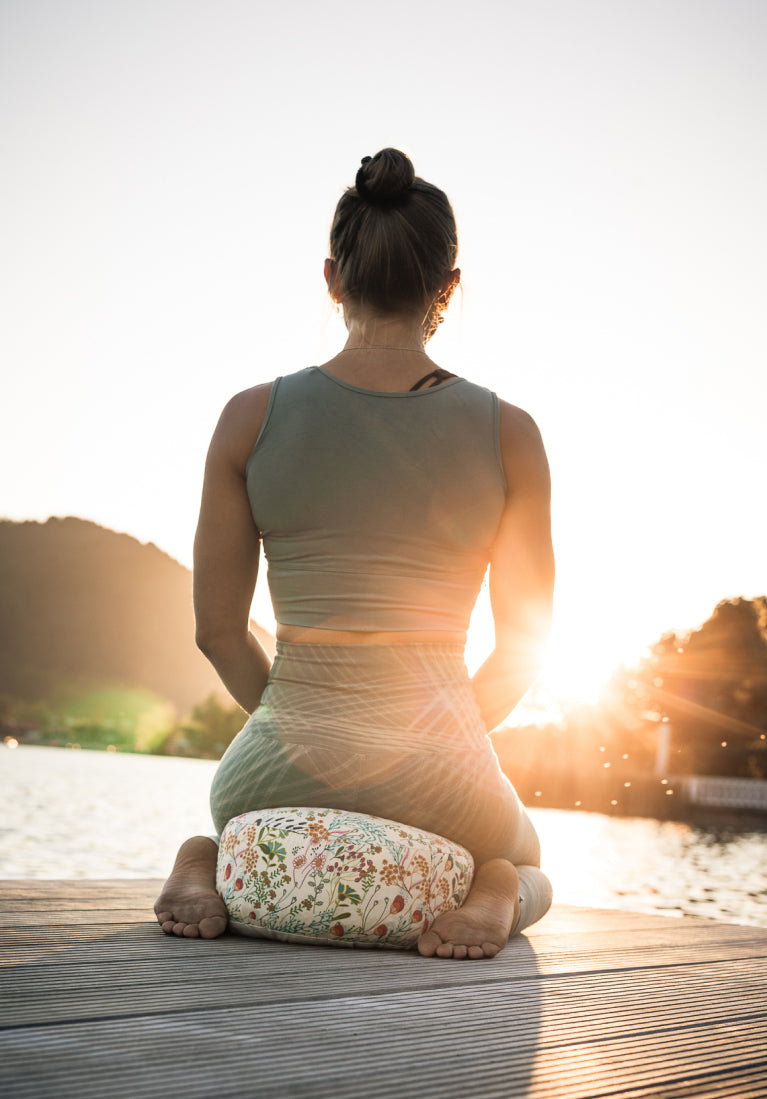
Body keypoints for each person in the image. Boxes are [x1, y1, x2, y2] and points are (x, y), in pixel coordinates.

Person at [154, 148, 555, 960]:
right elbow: (522, 646)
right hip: (444, 774)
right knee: (528, 855)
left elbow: (217, 631)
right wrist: (442, 738)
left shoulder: (247, 418)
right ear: (447, 286)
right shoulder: (510, 432)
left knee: (225, 825)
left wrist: (297, 716)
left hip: (272, 768)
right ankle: (498, 889)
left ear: (333, 278)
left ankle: (203, 860)